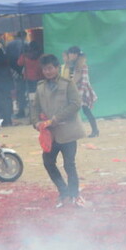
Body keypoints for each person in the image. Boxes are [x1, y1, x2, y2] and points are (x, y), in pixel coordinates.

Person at [31, 54, 85, 207]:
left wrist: (55, 119)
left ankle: (74, 195)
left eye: (50, 68)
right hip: (50, 135)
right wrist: (36, 123)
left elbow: (75, 104)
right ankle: (64, 192)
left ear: (56, 68)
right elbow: (35, 107)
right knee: (48, 162)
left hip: (68, 132)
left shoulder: (67, 84)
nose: (47, 72)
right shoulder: (40, 86)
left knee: (69, 164)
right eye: (44, 69)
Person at [62, 46, 99, 136]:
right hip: (75, 91)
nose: (69, 55)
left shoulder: (83, 65)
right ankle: (74, 132)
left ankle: (95, 130)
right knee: (74, 112)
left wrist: (79, 94)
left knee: (86, 111)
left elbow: (84, 81)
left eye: (71, 53)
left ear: (75, 54)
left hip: (83, 92)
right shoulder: (72, 65)